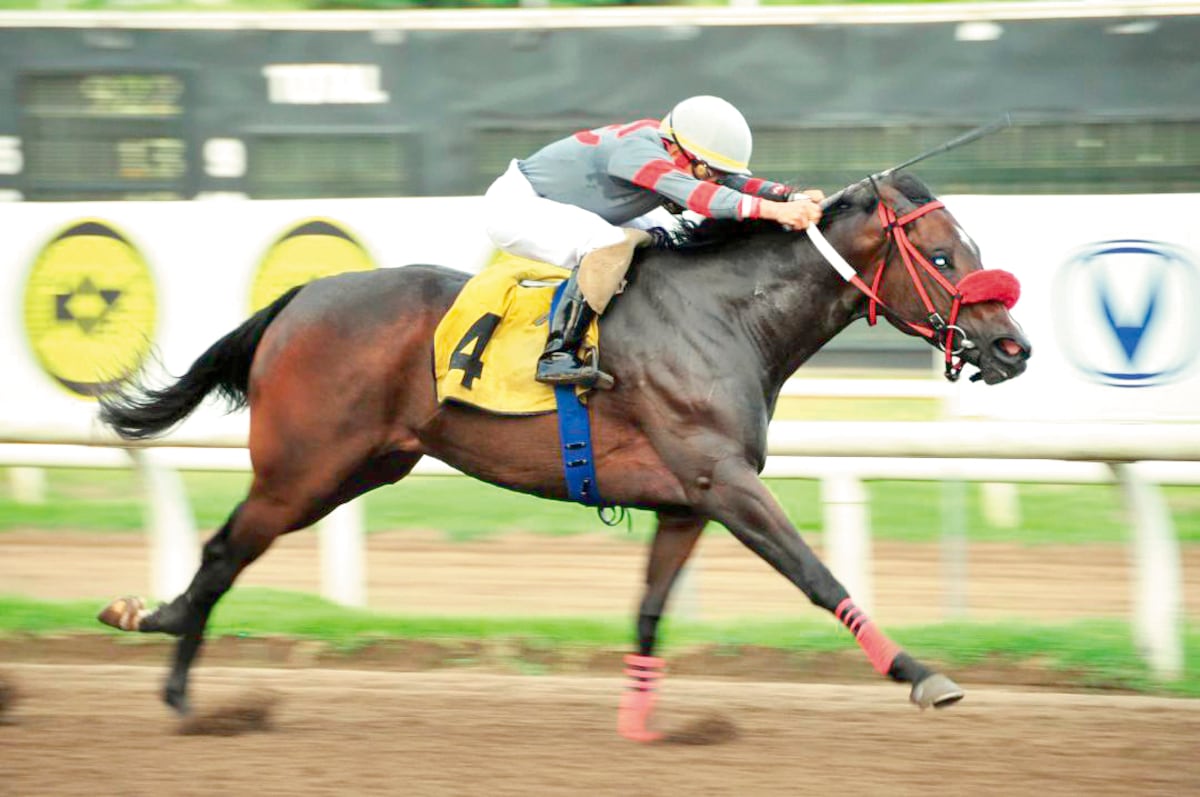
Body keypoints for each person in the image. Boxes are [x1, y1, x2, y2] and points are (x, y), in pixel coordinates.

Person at [483, 95, 825, 388]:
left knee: (666, 236)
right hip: (518, 206)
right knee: (607, 245)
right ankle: (558, 354)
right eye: (709, 171)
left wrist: (788, 195)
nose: (715, 178)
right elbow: (700, 196)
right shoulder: (637, 154)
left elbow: (729, 182)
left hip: (573, 204)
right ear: (675, 148)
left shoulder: (674, 145)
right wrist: (773, 211)